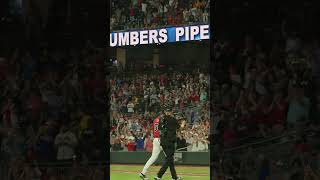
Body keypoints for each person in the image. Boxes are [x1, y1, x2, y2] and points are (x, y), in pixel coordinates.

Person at [154, 104, 183, 180]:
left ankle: (174, 177)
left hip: (163, 142)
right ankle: (158, 175)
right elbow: (179, 128)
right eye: (169, 111)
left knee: (170, 159)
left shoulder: (161, 119)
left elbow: (159, 129)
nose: (168, 112)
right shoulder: (173, 119)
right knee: (169, 159)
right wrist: (183, 123)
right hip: (170, 142)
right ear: (170, 112)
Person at [140, 112, 162, 180]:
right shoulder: (160, 120)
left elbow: (153, 130)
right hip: (160, 139)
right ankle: (161, 176)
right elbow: (162, 130)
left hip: (155, 139)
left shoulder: (155, 121)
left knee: (153, 157)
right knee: (169, 157)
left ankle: (143, 172)